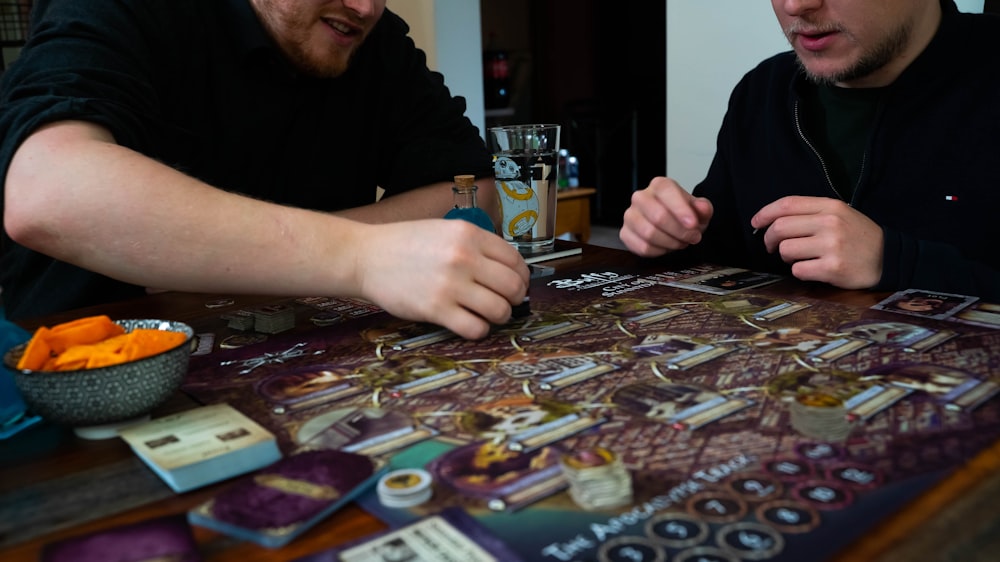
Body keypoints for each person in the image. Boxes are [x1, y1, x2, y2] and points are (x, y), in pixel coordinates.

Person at [0, 0, 529, 340]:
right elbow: (46, 192)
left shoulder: (374, 38)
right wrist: (360, 259)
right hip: (93, 389)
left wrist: (247, 269)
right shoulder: (129, 11)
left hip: (314, 358)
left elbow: (473, 192)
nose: (365, 7)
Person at [620, 0, 1000, 300]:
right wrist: (666, 234)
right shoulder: (762, 91)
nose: (796, 5)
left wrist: (895, 261)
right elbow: (721, 252)